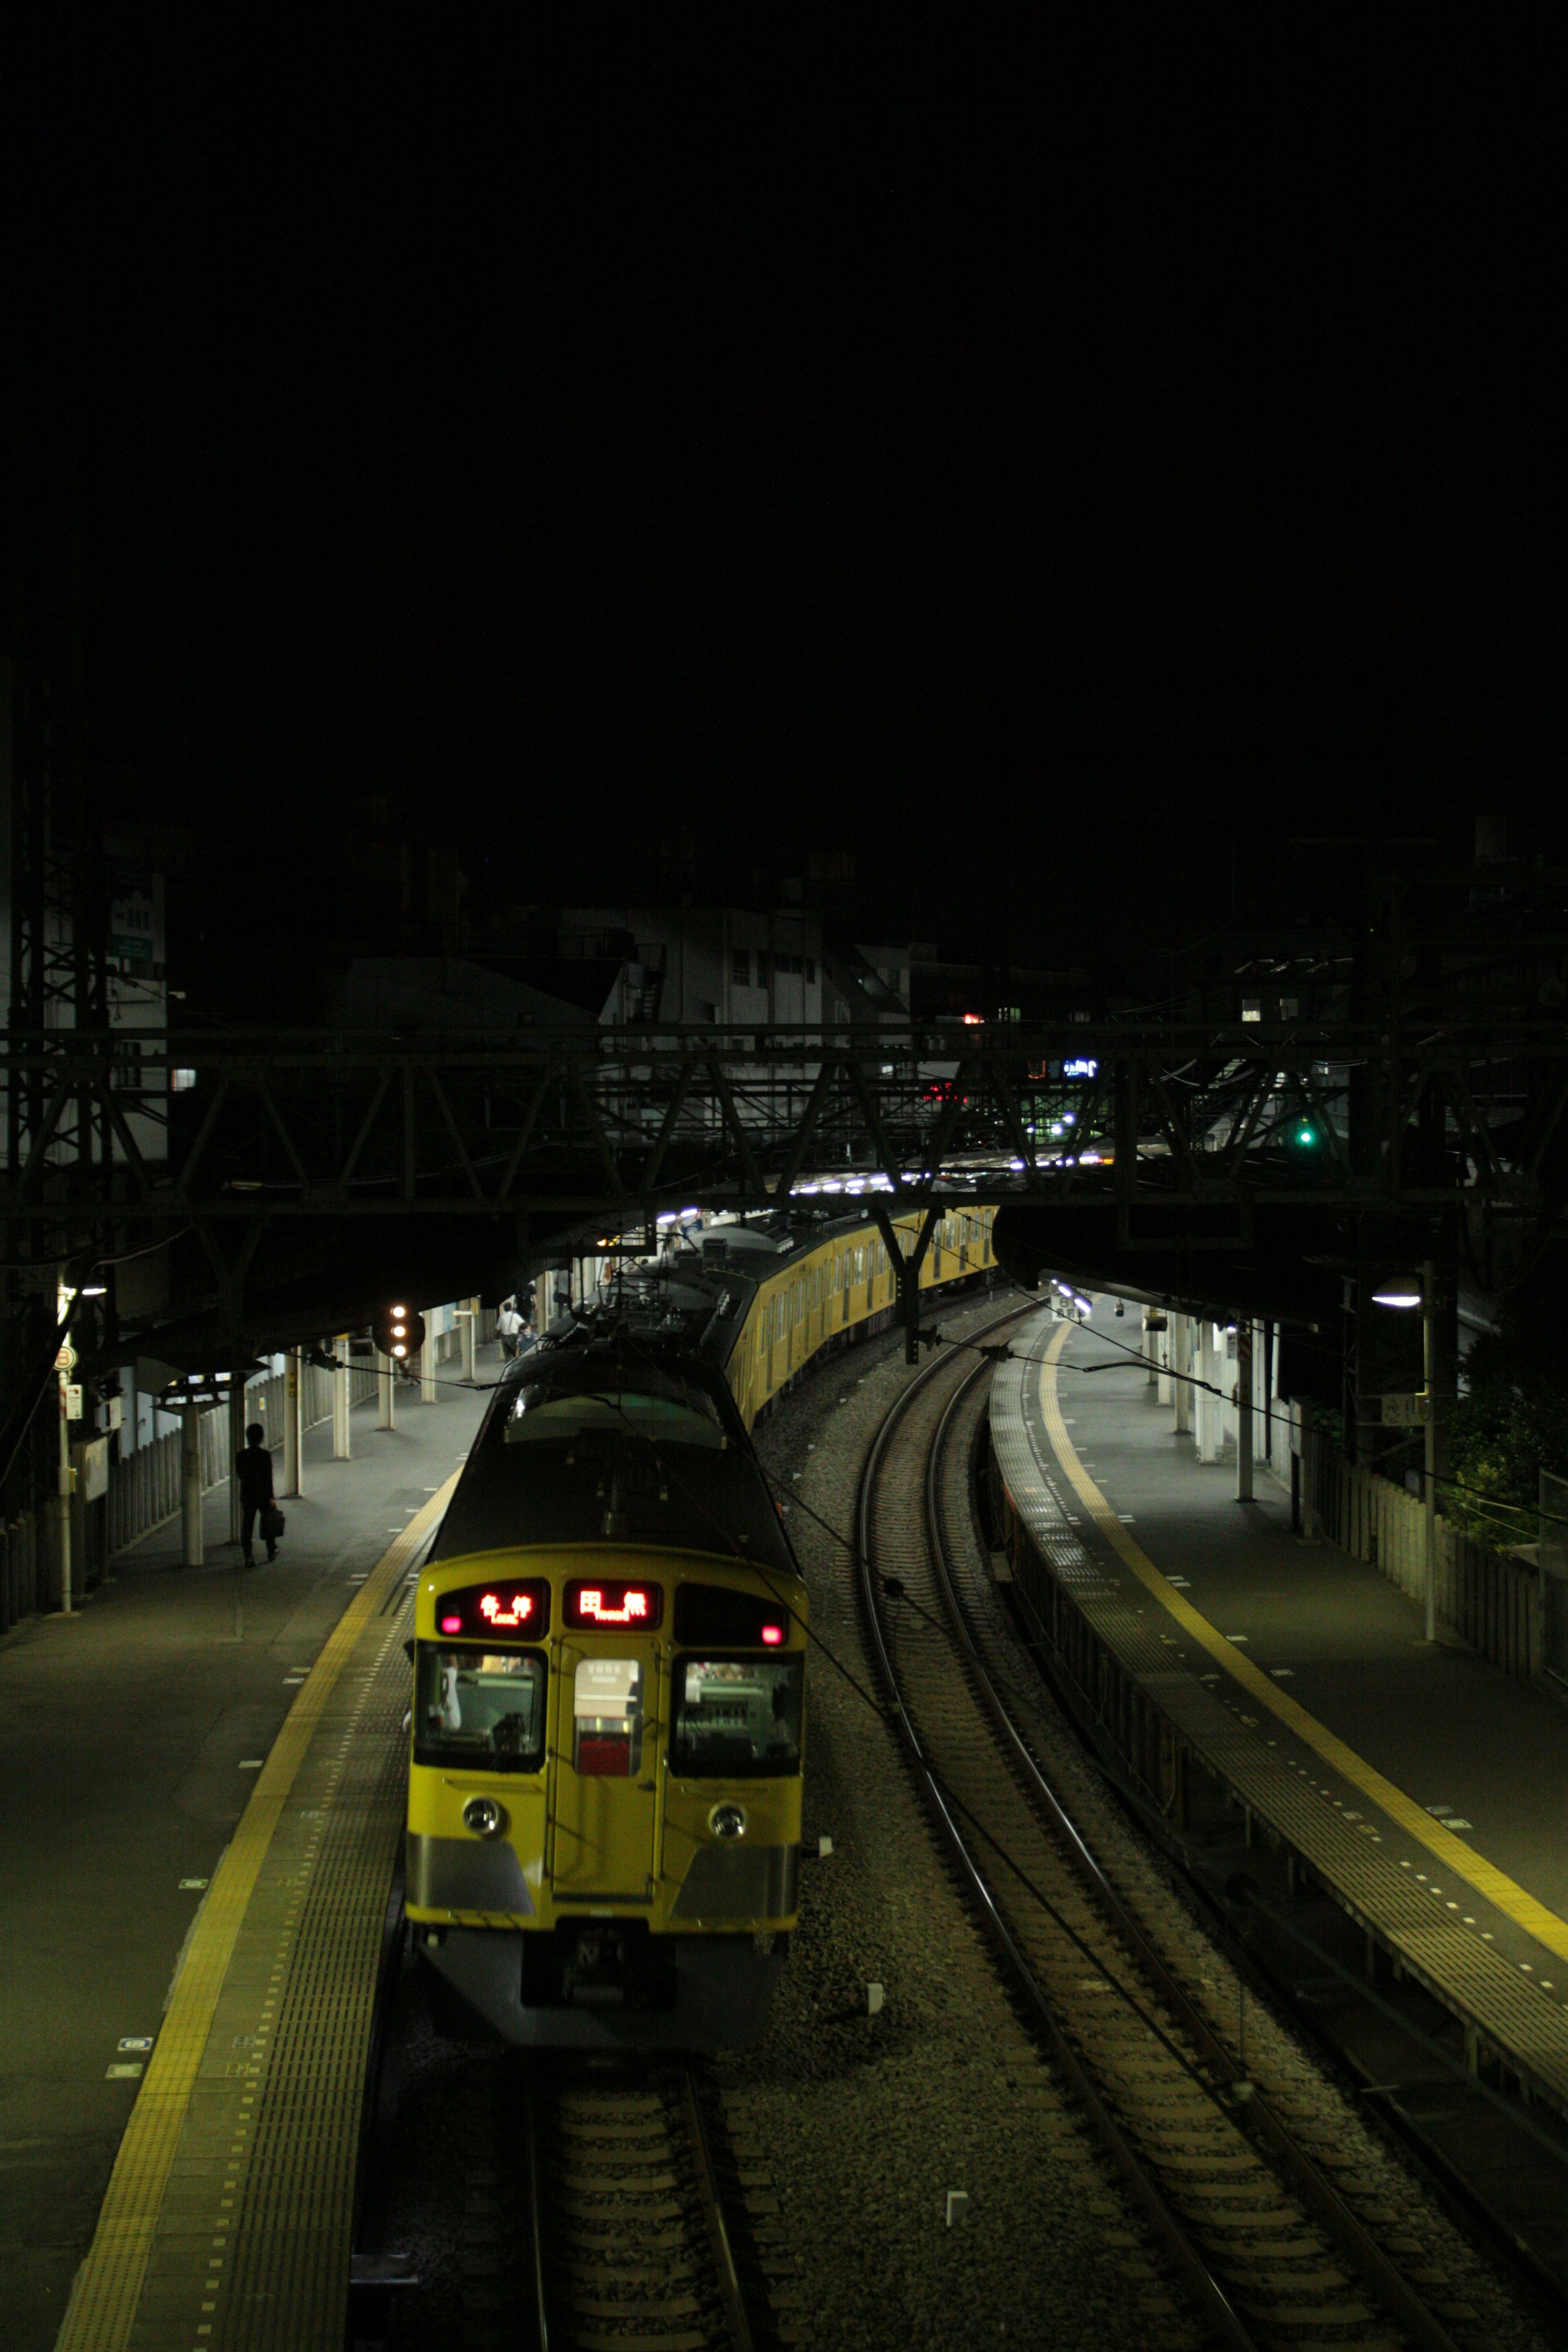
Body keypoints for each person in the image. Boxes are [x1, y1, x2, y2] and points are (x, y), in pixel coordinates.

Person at [237, 1422, 278, 1566]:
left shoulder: (241, 1456)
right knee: (268, 1523)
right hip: (263, 1495)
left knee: (248, 1526)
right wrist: (271, 1497)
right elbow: (268, 1478)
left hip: (248, 1495)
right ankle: (271, 1551)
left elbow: (241, 1475)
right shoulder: (265, 1455)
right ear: (261, 1438)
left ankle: (248, 1556)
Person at [497, 1295, 523, 1361]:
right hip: (513, 1336)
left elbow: (498, 1328)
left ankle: (508, 1367)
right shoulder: (515, 1316)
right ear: (511, 1308)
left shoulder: (502, 1317)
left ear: (504, 1309)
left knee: (507, 1355)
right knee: (516, 1353)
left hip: (504, 1338)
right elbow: (523, 1324)